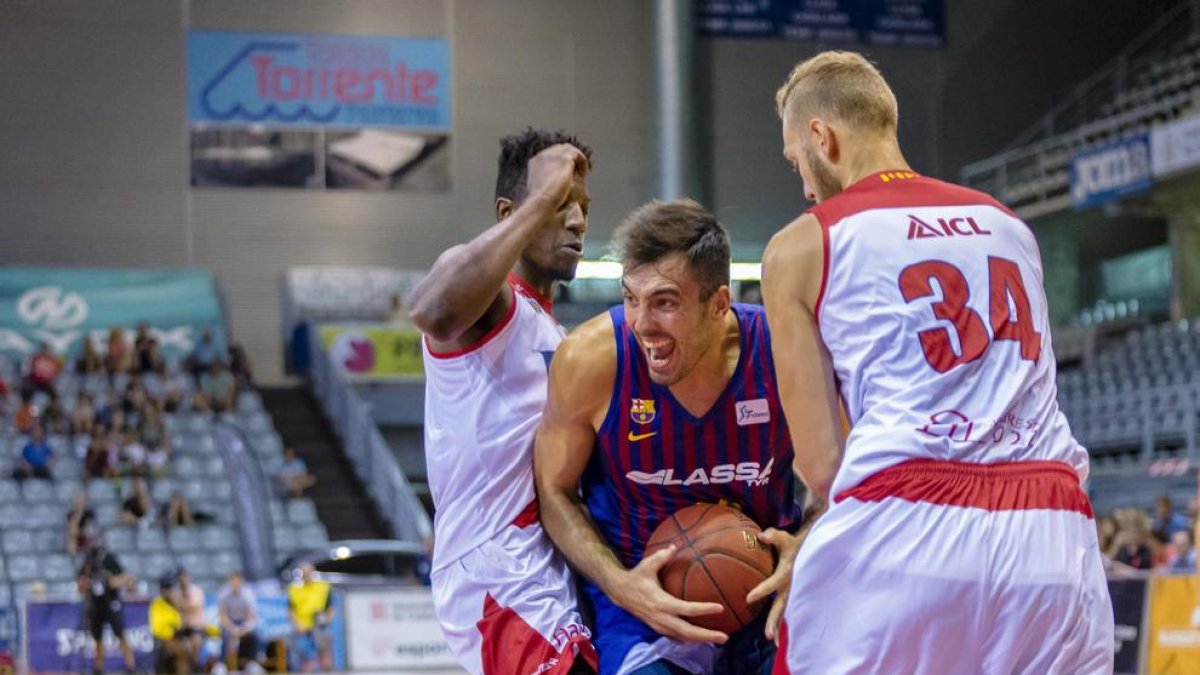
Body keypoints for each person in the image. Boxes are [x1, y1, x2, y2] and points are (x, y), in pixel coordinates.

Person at [762, 51, 1112, 673]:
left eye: (796, 164)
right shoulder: (1010, 226)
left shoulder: (802, 243)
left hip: (907, 522)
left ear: (822, 136)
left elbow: (822, 466)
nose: (806, 186)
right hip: (1051, 532)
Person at [534, 200, 798, 674]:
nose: (642, 323)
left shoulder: (785, 354)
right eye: (631, 298)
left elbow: (843, 476)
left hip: (770, 596)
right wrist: (618, 584)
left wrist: (807, 547)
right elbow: (553, 490)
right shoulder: (590, 360)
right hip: (643, 608)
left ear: (719, 304)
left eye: (665, 302)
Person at [406, 129, 597, 674]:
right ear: (509, 211)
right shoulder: (491, 306)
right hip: (496, 562)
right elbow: (431, 309)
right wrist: (541, 202)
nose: (579, 222)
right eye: (561, 204)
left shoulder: (556, 334)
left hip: (545, 559)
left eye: (583, 207)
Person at [77, 540, 136, 674]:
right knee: (97, 638)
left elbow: (126, 577)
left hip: (111, 602)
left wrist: (110, 582)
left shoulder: (109, 559)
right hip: (95, 604)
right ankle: (98, 669)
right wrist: (86, 585)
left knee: (120, 635)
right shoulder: (88, 561)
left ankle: (131, 667)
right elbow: (80, 583)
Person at [288, 562, 334, 673]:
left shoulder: (323, 587)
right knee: (304, 656)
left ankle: (326, 667)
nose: (306, 575)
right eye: (304, 573)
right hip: (302, 626)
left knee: (325, 649)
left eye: (309, 572)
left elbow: (330, 608)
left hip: (319, 625)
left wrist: (326, 621)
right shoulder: (294, 589)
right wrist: (297, 624)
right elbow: (291, 610)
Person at [218, 571, 260, 670]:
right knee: (225, 635)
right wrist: (232, 628)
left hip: (244, 623)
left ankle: (251, 662)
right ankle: (221, 664)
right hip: (230, 623)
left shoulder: (248, 594)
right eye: (232, 580)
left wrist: (243, 629)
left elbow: (252, 617)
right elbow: (222, 615)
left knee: (255, 635)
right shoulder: (223, 593)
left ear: (242, 581)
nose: (235, 583)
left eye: (237, 581)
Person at [150, 575, 185, 675]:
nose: (170, 592)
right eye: (167, 589)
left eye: (171, 589)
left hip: (177, 637)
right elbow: (157, 628)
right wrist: (172, 628)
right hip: (163, 639)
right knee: (177, 649)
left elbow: (181, 623)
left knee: (187, 647)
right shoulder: (157, 604)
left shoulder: (177, 603)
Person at [174, 568, 207, 670]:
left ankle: (196, 667)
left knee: (195, 643)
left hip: (197, 627)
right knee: (181, 649)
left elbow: (193, 605)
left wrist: (186, 594)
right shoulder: (176, 592)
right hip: (183, 629)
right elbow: (175, 606)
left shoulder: (197, 591)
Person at [66, 490, 97, 555]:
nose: (79, 502)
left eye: (81, 500)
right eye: (77, 499)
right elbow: (72, 532)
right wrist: (77, 514)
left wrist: (79, 532)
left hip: (87, 541)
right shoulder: (70, 515)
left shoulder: (90, 514)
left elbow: (89, 531)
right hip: (76, 541)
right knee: (71, 542)